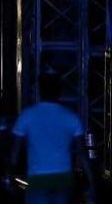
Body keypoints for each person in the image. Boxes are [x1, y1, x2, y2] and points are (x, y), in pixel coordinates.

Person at [7, 73, 96, 204]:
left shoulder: (26, 116)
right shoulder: (71, 117)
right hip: (63, 178)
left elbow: (15, 151)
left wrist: (10, 175)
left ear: (40, 89)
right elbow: (82, 153)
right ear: (59, 90)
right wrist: (92, 181)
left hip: (37, 178)